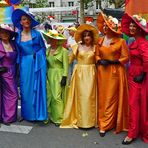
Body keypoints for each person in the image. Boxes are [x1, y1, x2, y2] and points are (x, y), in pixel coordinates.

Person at [96, 12, 129, 136]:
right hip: (102, 72)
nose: (105, 28)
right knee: (102, 98)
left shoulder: (120, 41)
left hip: (114, 71)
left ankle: (105, 124)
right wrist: (99, 60)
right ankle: (103, 121)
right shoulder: (100, 40)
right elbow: (96, 54)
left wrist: (113, 61)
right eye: (104, 25)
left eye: (107, 26)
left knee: (111, 98)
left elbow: (126, 57)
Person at [11, 9, 47, 121]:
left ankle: (36, 114)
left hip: (36, 65)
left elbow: (43, 49)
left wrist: (37, 55)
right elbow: (16, 52)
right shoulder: (17, 36)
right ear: (20, 22)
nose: (26, 21)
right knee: (25, 89)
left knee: (36, 88)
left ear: (31, 21)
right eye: (24, 19)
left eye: (28, 19)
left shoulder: (37, 34)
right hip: (23, 65)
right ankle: (26, 114)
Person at [60, 24, 99, 128]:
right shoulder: (76, 46)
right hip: (80, 74)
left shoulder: (95, 47)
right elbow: (69, 60)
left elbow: (98, 61)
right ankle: (81, 121)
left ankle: (90, 121)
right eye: (85, 35)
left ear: (92, 37)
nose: (87, 37)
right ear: (82, 37)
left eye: (89, 35)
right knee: (81, 97)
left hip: (91, 74)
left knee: (90, 97)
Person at [121, 13, 148, 144]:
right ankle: (136, 130)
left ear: (139, 28)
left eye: (134, 25)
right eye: (130, 25)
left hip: (139, 76)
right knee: (137, 105)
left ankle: (132, 133)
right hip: (134, 74)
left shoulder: (142, 42)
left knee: (135, 105)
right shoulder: (135, 41)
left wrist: (143, 74)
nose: (131, 27)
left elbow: (147, 60)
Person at [42, 29, 68, 126]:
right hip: (49, 74)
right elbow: (46, 64)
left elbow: (66, 65)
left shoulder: (64, 51)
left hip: (59, 75)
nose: (52, 40)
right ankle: (51, 116)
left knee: (57, 96)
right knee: (49, 95)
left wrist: (64, 77)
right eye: (50, 38)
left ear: (57, 40)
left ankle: (59, 118)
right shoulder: (48, 50)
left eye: (54, 39)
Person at [0, 24, 18, 125]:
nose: (5, 34)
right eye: (2, 32)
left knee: (10, 94)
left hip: (12, 71)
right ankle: (6, 117)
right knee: (12, 94)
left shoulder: (13, 44)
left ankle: (7, 116)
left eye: (7, 32)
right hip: (3, 72)